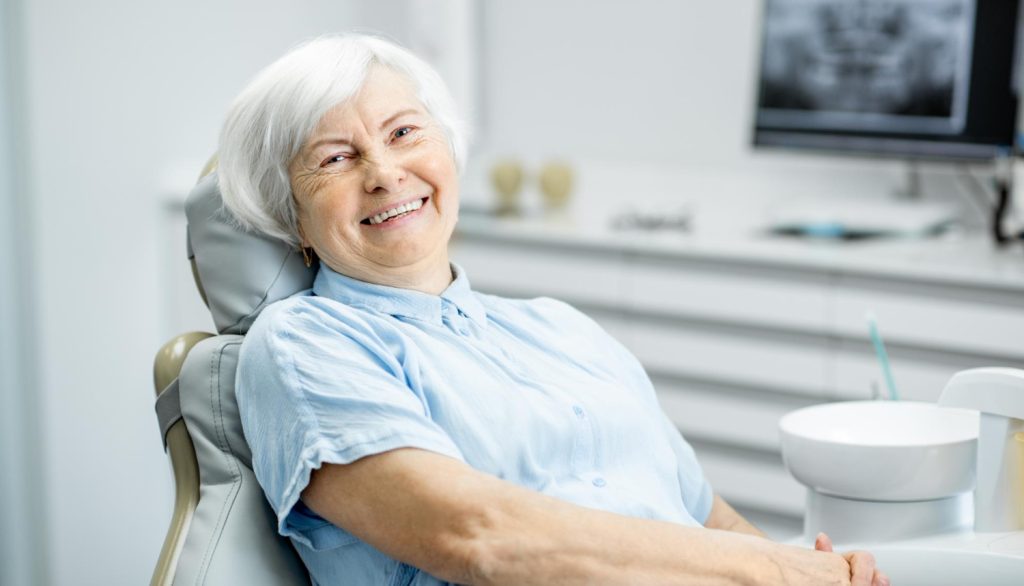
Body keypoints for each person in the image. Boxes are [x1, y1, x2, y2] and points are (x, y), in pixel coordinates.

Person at [221, 33, 889, 586]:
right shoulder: (304, 345)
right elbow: (479, 538)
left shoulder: (562, 329)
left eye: (403, 132)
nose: (385, 172)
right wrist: (769, 569)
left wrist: (808, 566)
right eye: (337, 158)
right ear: (295, 221)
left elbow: (707, 518)